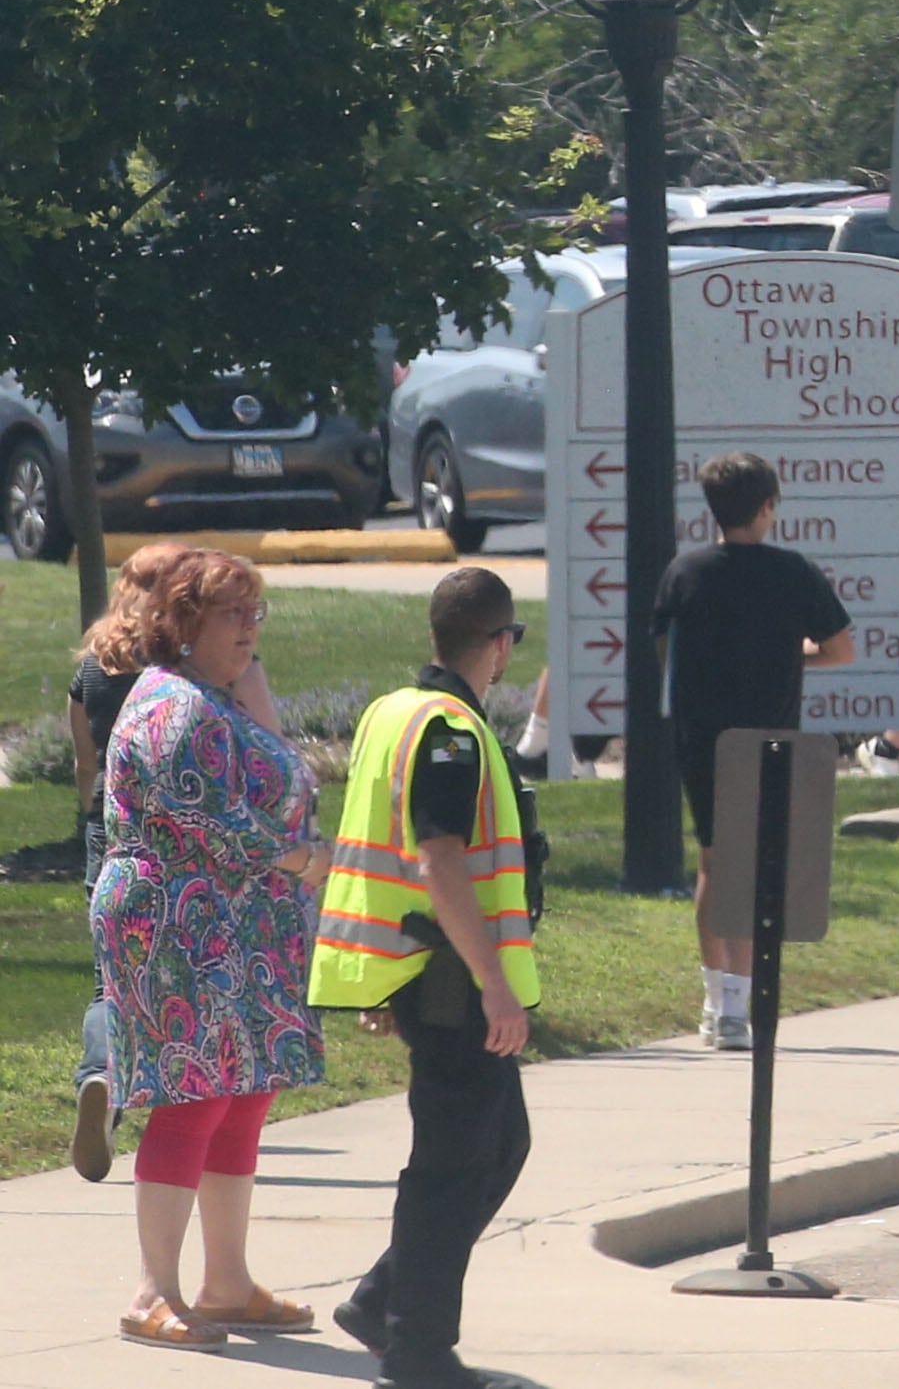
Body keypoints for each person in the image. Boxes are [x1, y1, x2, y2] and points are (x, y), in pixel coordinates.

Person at [86, 549, 325, 1350]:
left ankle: (227, 1282)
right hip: (172, 920)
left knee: (244, 1091)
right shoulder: (171, 704)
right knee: (193, 1094)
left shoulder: (214, 695)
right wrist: (295, 858)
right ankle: (154, 1292)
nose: (249, 629)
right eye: (233, 613)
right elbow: (202, 815)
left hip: (231, 921)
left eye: (256, 613)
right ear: (184, 622)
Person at [313, 568, 542, 1389]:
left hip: (419, 971)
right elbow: (437, 858)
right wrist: (493, 983)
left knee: (498, 1144)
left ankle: (384, 1301)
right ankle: (417, 1348)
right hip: (450, 977)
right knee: (452, 1158)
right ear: (499, 645)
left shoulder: (389, 713)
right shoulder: (450, 729)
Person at [655, 449, 854, 1050]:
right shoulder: (794, 573)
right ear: (768, 507)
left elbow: (665, 650)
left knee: (714, 864)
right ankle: (743, 999)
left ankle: (720, 1004)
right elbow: (841, 649)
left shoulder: (685, 573)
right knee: (757, 869)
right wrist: (789, 653)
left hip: (705, 739)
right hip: (772, 739)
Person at [65, 543, 191, 1185]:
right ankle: (176, 1100)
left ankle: (101, 1076)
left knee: (107, 982)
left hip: (107, 840)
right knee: (179, 975)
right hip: (173, 844)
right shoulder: (178, 665)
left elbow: (85, 763)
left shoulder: (93, 667)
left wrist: (90, 819)